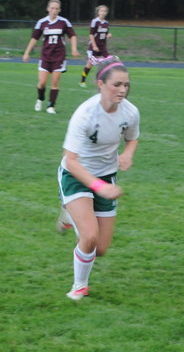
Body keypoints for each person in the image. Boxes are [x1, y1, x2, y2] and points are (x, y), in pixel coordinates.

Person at [57, 57, 140, 300]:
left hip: (106, 176)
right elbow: (71, 160)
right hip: (75, 175)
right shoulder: (84, 114)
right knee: (89, 237)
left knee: (101, 248)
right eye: (117, 84)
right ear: (100, 84)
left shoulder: (131, 112)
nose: (122, 90)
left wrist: (128, 154)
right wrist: (98, 187)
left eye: (126, 85)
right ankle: (79, 285)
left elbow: (132, 138)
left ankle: (70, 215)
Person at [22, 0, 80, 114]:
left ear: (59, 10)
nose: (54, 10)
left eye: (56, 9)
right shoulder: (41, 22)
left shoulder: (64, 22)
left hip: (59, 56)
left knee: (55, 82)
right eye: (52, 8)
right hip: (45, 56)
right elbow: (34, 38)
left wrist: (74, 49)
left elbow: (72, 36)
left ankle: (51, 106)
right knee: (42, 83)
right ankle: (40, 99)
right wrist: (27, 52)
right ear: (48, 9)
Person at [79, 5, 113, 88]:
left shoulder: (106, 23)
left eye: (105, 11)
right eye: (101, 11)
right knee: (90, 64)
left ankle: (100, 80)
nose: (103, 12)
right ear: (98, 12)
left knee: (108, 62)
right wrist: (94, 46)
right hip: (93, 45)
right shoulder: (95, 21)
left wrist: (108, 35)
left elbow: (104, 35)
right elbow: (91, 34)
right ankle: (82, 81)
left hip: (102, 46)